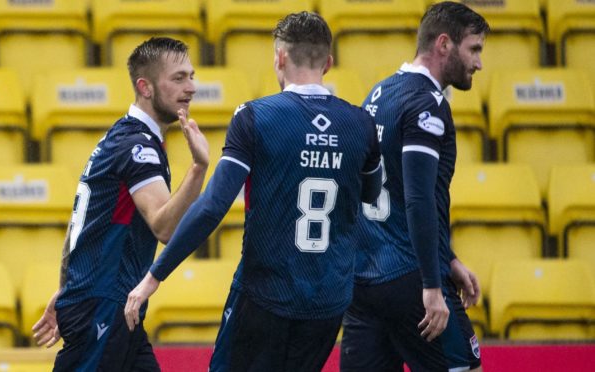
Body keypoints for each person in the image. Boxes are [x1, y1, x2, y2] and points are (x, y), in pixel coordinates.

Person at [124, 11, 382, 372]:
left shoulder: (256, 117)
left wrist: (154, 276)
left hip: (265, 296)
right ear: (328, 62)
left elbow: (214, 206)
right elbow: (371, 196)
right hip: (328, 302)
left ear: (279, 58)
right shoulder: (362, 124)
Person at [31, 37, 209, 371]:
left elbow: (82, 226)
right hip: (104, 306)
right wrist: (198, 169)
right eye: (179, 78)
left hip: (111, 305)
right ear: (145, 86)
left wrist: (67, 288)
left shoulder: (121, 137)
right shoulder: (136, 147)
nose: (192, 87)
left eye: (192, 76)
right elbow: (164, 227)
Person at [340, 2, 490, 372]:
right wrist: (433, 284)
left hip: (363, 280)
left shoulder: (379, 93)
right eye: (474, 49)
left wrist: (450, 258)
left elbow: (384, 187)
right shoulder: (427, 104)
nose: (479, 63)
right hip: (411, 278)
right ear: (444, 44)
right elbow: (419, 199)